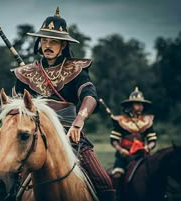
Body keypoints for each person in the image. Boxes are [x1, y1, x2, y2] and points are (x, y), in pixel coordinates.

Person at [11, 7, 115, 201]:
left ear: (63, 45)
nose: (47, 45)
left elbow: (89, 96)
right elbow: (16, 106)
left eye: (54, 41)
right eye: (44, 40)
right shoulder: (26, 73)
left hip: (70, 135)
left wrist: (78, 122)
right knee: (8, 182)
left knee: (105, 182)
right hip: (35, 138)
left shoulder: (76, 69)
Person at [110, 86, 157, 199]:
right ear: (130, 106)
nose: (140, 107)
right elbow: (114, 140)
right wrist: (121, 150)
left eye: (141, 104)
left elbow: (152, 140)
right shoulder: (121, 121)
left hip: (142, 154)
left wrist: (148, 147)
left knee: (156, 173)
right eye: (137, 104)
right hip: (125, 156)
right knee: (117, 174)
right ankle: (117, 196)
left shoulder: (147, 121)